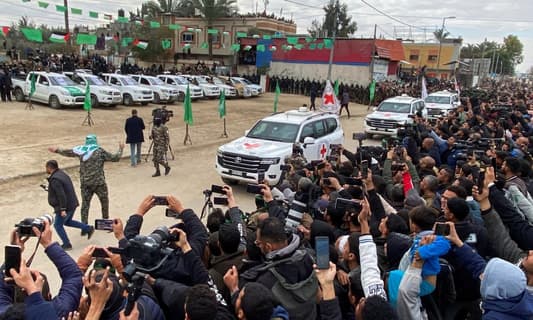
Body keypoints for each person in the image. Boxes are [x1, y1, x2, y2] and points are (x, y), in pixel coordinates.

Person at [48, 134, 124, 225]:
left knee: (85, 205)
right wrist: (121, 149)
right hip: (99, 183)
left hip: (86, 184)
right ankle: (105, 222)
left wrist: (57, 150)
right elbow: (115, 158)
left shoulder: (81, 151)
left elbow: (68, 152)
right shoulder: (100, 152)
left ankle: (84, 226)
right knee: (104, 202)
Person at [45, 160, 94, 250]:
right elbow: (61, 190)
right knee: (67, 221)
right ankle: (88, 228)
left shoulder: (55, 179)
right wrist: (50, 189)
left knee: (57, 225)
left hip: (65, 206)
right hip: (72, 203)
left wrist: (62, 209)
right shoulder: (62, 173)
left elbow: (61, 194)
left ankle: (67, 244)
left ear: (49, 167)